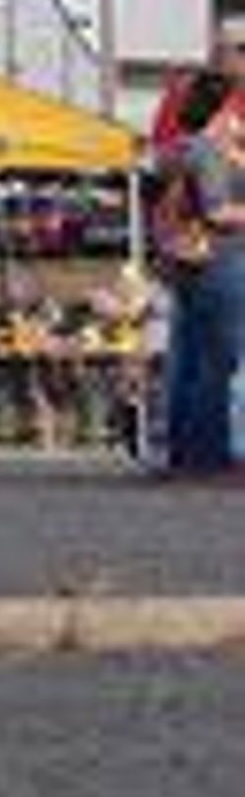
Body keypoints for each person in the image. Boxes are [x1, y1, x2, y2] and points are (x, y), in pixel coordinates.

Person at [154, 37, 245, 478]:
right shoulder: (209, 151)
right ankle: (209, 456)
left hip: (191, 263)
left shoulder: (184, 148)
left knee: (191, 359)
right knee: (220, 361)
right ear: (221, 108)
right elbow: (217, 211)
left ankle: (184, 453)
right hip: (221, 261)